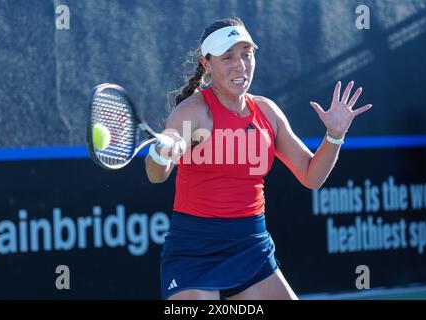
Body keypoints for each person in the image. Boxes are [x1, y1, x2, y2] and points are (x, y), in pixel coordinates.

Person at [145, 17, 372, 300]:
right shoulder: (192, 112)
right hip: (195, 252)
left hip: (252, 250)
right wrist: (161, 151)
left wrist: (334, 135)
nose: (240, 65)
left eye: (246, 54)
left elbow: (312, 176)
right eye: (227, 57)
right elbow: (157, 173)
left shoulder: (267, 112)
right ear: (207, 64)